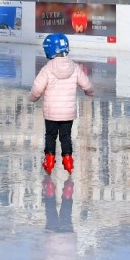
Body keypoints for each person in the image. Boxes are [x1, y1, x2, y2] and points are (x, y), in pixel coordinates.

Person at [30, 32, 94, 175]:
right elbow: (87, 84)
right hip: (67, 114)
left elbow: (37, 89)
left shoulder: (47, 69)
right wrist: (89, 93)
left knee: (50, 136)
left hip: (51, 114)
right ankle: (68, 161)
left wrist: (32, 98)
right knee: (66, 137)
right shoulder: (75, 68)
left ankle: (50, 161)